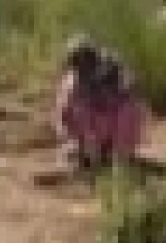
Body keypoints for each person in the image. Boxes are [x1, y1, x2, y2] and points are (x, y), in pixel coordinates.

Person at [55, 36, 149, 174]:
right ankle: (85, 151)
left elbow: (132, 90)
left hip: (114, 127)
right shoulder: (71, 85)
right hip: (87, 136)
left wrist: (114, 89)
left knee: (129, 107)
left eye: (86, 59)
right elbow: (63, 117)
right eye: (79, 61)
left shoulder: (114, 68)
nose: (83, 65)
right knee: (77, 106)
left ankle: (119, 154)